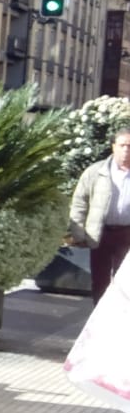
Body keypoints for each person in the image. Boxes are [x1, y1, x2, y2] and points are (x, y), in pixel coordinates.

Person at [68, 128, 130, 303]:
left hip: (127, 234)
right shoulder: (96, 172)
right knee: (100, 281)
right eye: (122, 145)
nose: (126, 150)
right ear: (113, 147)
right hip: (101, 234)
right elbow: (79, 203)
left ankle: (121, 321)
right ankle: (98, 321)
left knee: (125, 282)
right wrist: (78, 233)